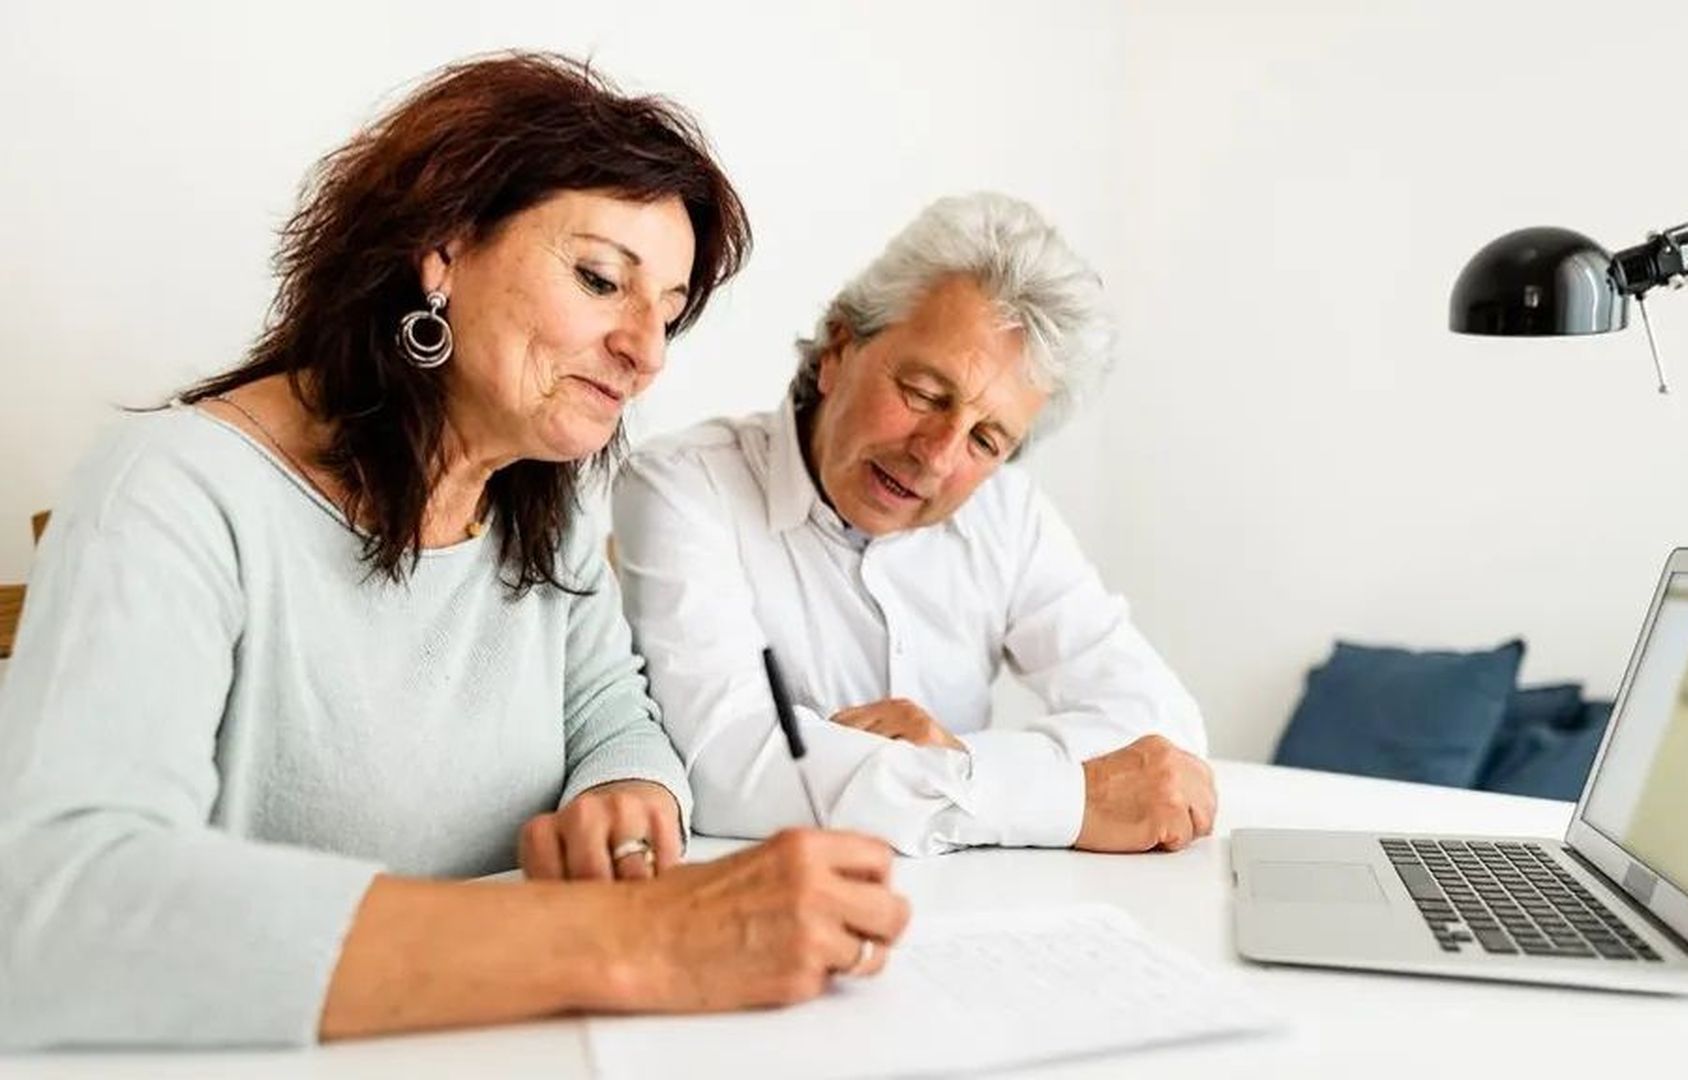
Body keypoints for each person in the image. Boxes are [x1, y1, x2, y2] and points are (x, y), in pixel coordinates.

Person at [0, 53, 908, 1050]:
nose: (646, 351)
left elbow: (614, 714)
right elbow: (60, 909)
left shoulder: (541, 503)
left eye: (672, 313)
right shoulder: (171, 491)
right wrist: (638, 937)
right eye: (603, 279)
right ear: (441, 249)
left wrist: (624, 797)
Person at [612, 193, 1216, 858]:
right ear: (840, 347)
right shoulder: (683, 485)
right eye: (925, 395)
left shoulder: (1008, 516)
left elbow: (1164, 731)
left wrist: (957, 760)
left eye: (986, 441)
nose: (936, 455)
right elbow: (728, 761)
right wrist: (1050, 796)